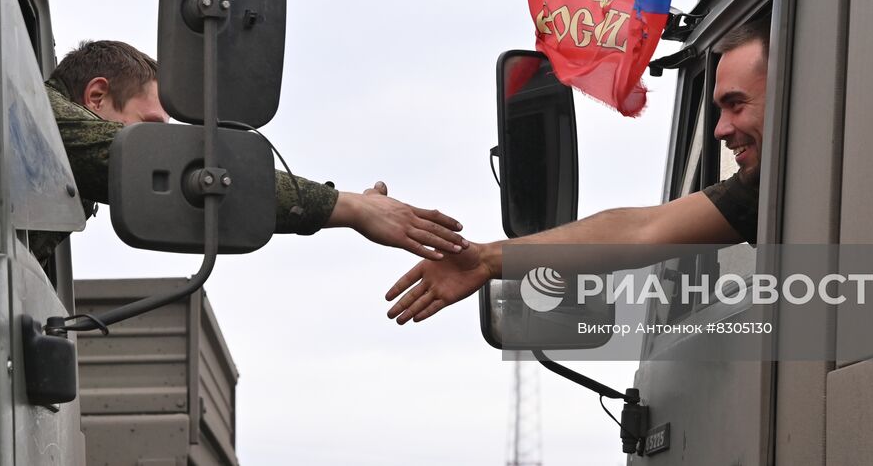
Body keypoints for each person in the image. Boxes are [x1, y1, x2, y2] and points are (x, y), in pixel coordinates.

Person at [385, 17, 768, 323]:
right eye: (718, 110)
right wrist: (485, 260)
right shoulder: (762, 190)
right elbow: (641, 231)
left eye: (736, 104)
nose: (720, 130)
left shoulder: (783, 183)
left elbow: (641, 232)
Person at [46, 40, 467, 259]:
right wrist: (348, 207)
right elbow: (164, 168)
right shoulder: (35, 117)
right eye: (151, 128)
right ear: (97, 96)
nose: (160, 148)